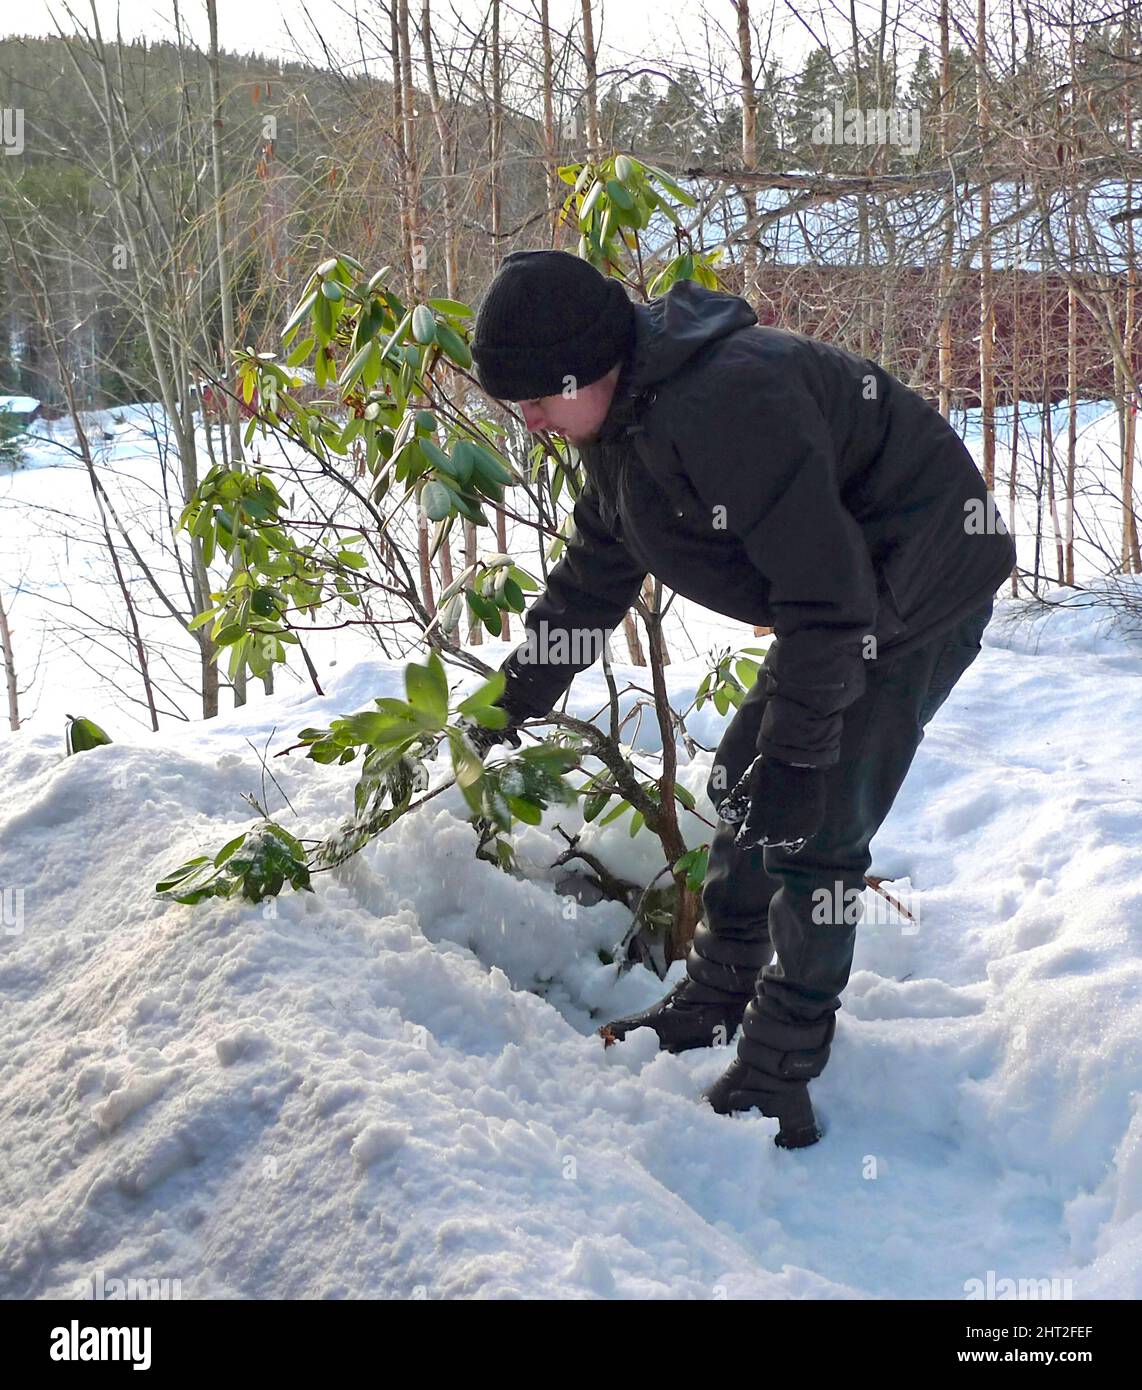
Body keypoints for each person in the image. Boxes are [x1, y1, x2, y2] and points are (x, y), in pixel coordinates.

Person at [466, 249, 1016, 1149]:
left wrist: (802, 758)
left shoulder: (728, 405)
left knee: (816, 821)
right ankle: (718, 997)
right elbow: (594, 575)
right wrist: (513, 697)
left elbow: (830, 602)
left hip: (917, 585)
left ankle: (780, 1068)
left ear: (589, 364)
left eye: (535, 400)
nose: (530, 423)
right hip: (839, 598)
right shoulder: (618, 426)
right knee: (742, 786)